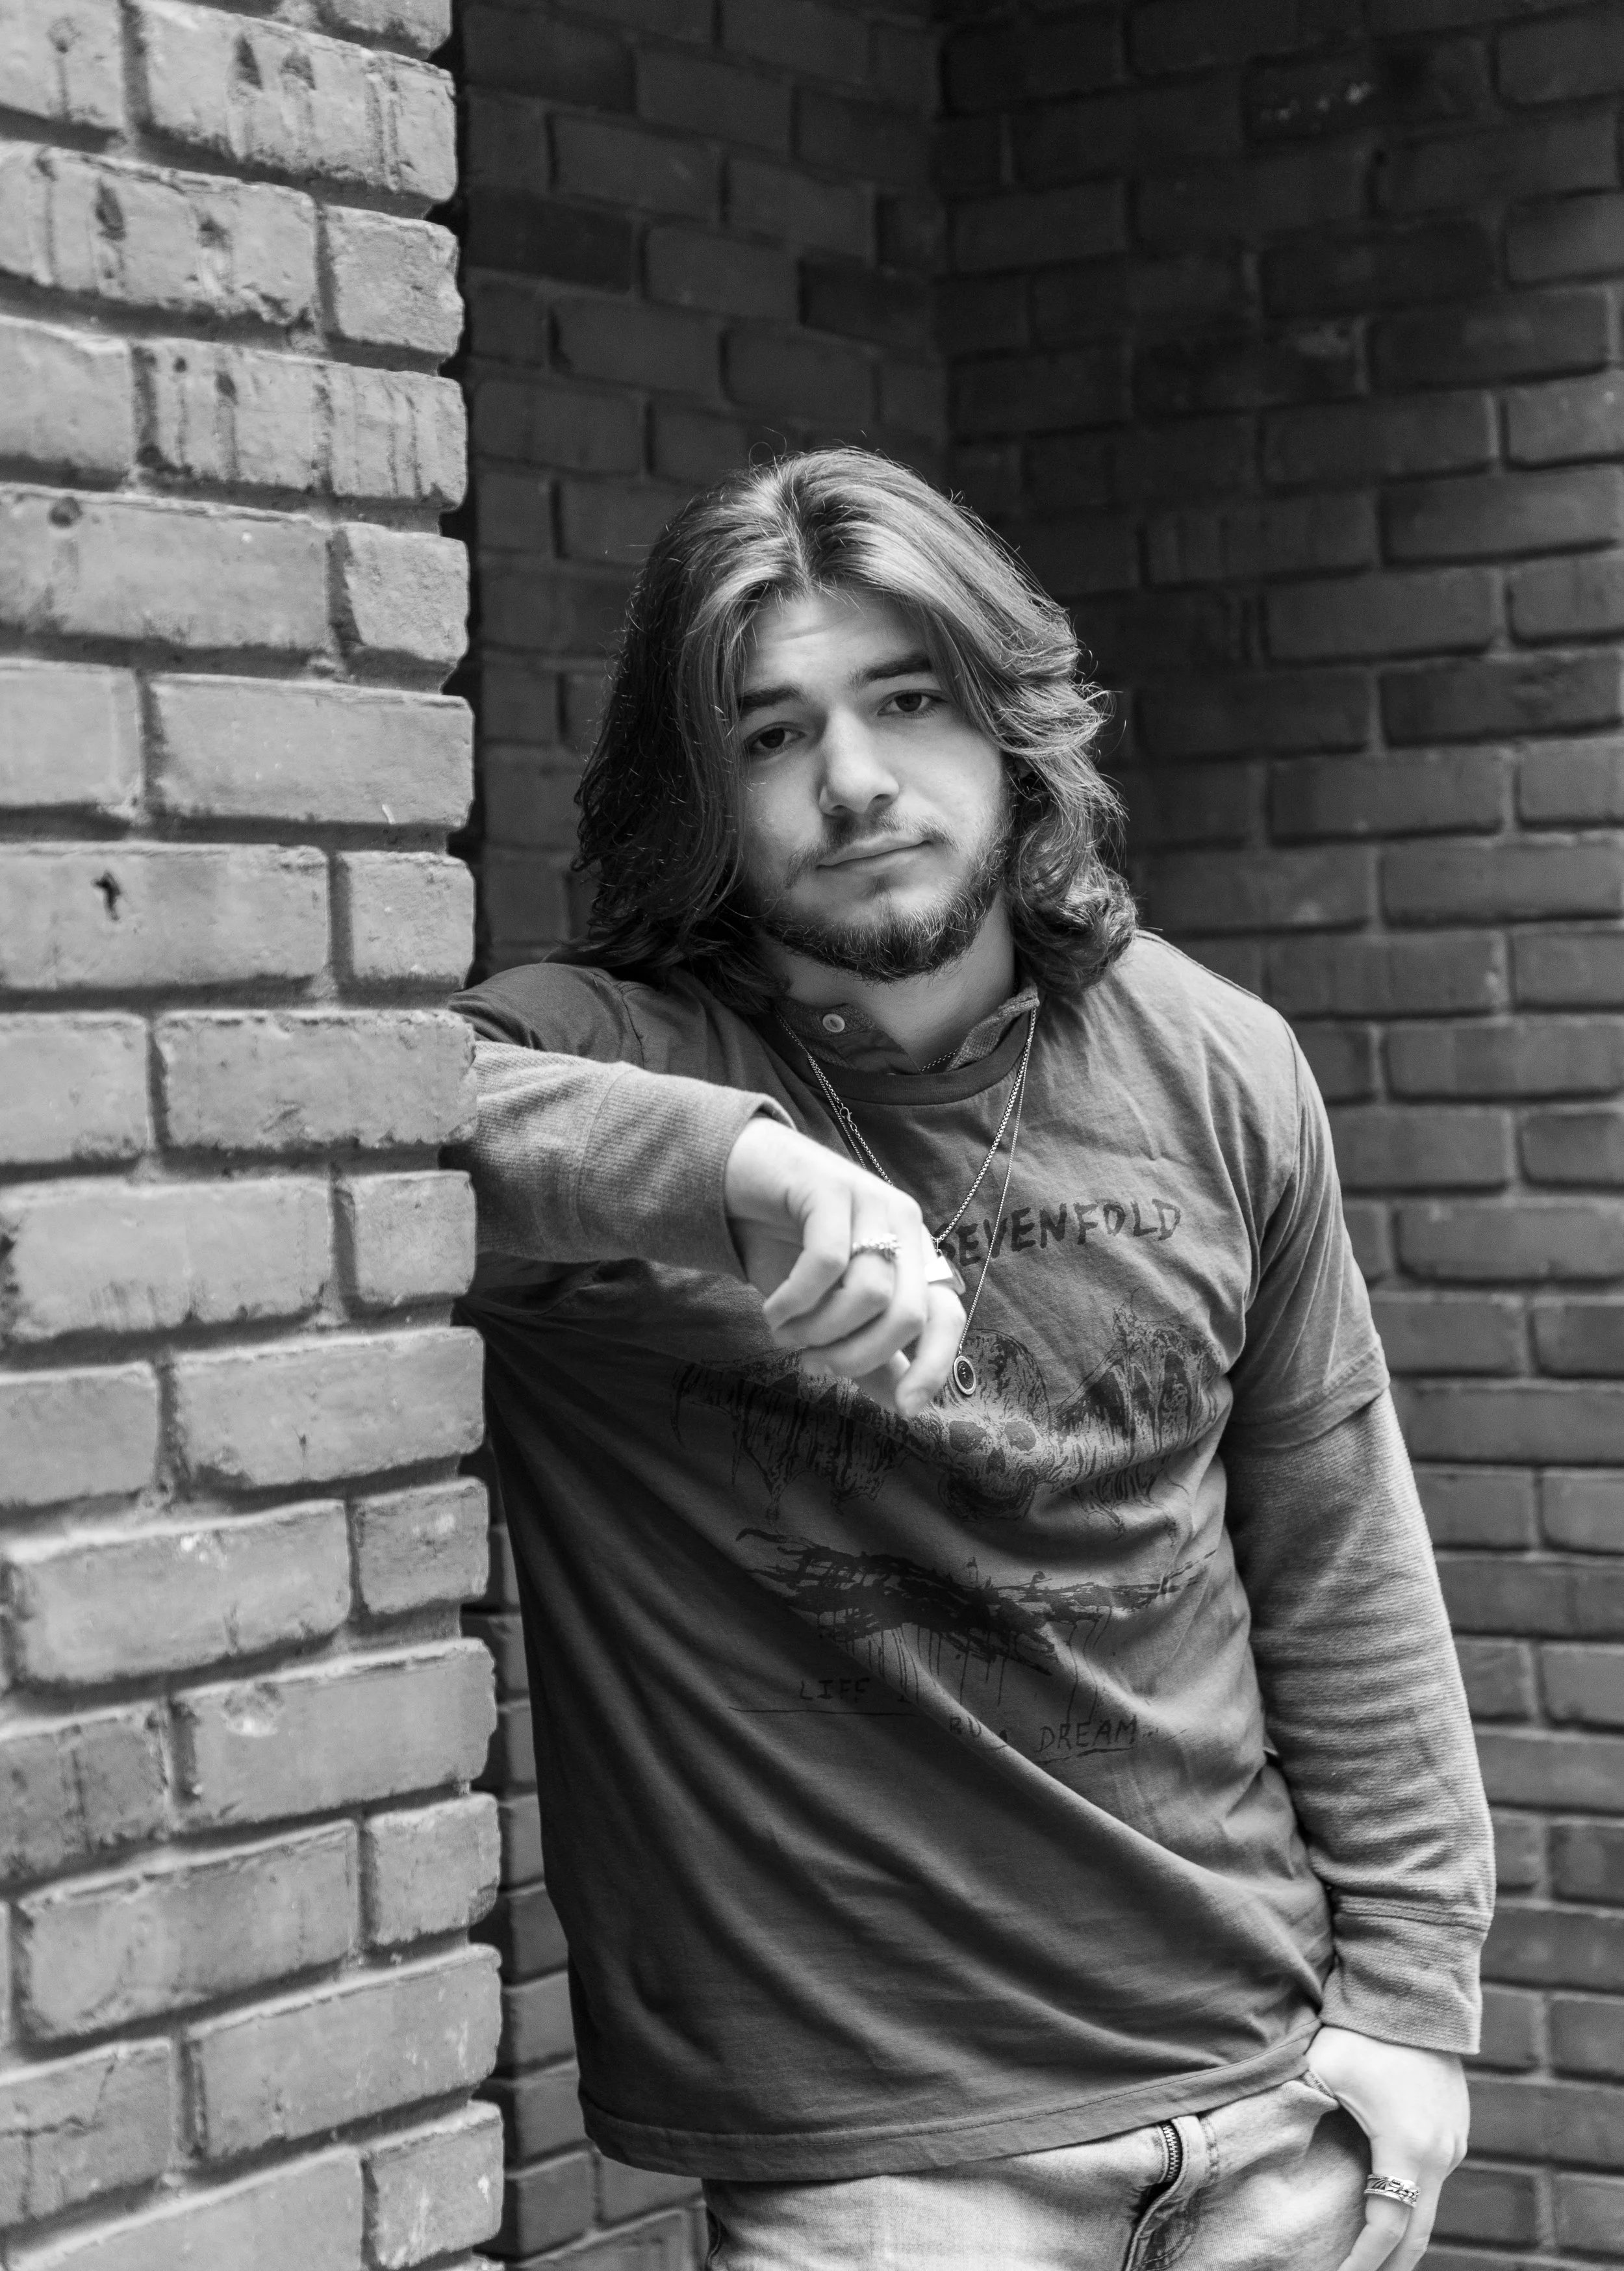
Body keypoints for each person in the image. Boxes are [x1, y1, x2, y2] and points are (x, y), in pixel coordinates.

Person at [451, 448, 1493, 2271]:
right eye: (771, 735)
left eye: (907, 698)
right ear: (698, 789)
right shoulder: (611, 1055)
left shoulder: (1213, 1060)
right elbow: (334, 1114)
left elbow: (1336, 1549)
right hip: (884, 2170)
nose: (854, 782)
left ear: (1010, 723)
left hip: (1270, 2115)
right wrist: (733, 1169)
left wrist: (1410, 2008)